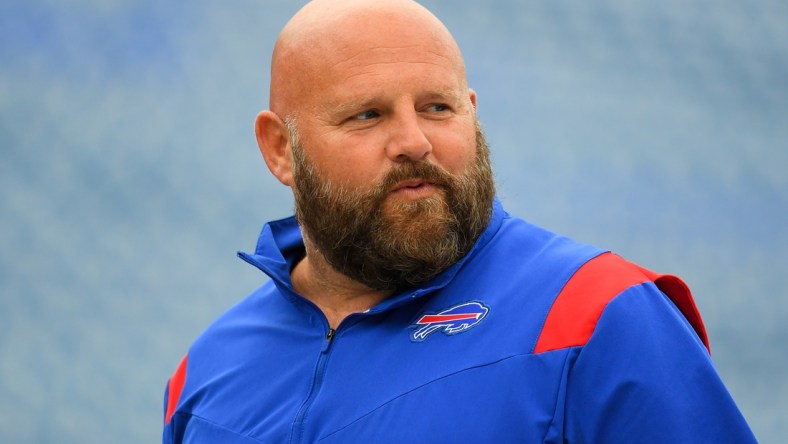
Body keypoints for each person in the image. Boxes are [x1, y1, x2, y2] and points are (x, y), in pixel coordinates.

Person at [162, 0, 757, 442]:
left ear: (470, 114)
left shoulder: (598, 315)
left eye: (436, 108)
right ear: (280, 149)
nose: (414, 142)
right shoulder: (207, 373)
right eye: (367, 115)